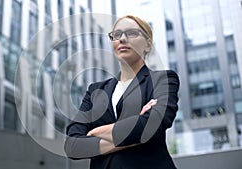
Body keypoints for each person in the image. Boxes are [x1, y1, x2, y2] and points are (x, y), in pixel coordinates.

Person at [64, 15, 180, 169]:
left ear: (148, 44)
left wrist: (95, 132)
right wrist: (136, 129)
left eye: (132, 33)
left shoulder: (163, 79)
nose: (122, 39)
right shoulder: (95, 91)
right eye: (116, 35)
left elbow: (154, 124)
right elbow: (73, 146)